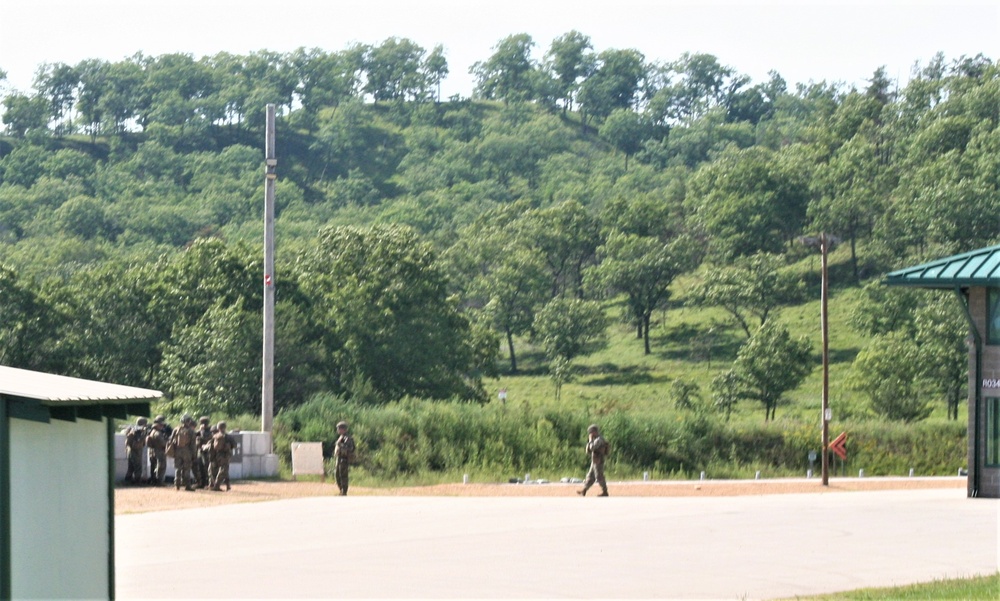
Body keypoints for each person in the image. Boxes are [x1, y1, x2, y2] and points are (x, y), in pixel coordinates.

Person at [577, 424, 610, 497]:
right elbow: (588, 450)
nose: (590, 434)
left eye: (590, 432)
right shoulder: (596, 439)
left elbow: (592, 447)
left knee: (599, 476)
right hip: (594, 460)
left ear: (594, 432)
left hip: (599, 460)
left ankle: (605, 491)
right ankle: (584, 490)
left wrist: (590, 440)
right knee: (590, 475)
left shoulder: (599, 439)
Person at [171, 414, 198, 491]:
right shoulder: (191, 431)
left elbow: (171, 440)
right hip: (187, 451)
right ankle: (187, 485)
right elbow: (193, 445)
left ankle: (177, 484)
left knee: (177, 468)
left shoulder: (176, 429)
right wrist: (194, 455)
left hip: (177, 451)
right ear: (189, 421)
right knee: (187, 469)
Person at [210, 421, 237, 491]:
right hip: (225, 456)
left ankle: (228, 486)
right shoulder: (228, 437)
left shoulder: (215, 436)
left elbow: (211, 446)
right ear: (225, 427)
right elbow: (235, 445)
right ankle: (216, 485)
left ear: (218, 428)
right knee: (223, 470)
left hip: (217, 455)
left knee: (224, 470)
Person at [333, 421, 356, 496]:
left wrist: (341, 446)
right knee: (337, 475)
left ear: (343, 429)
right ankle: (341, 490)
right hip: (339, 458)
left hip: (344, 459)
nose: (338, 430)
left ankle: (344, 491)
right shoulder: (341, 437)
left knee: (343, 475)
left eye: (339, 428)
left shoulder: (347, 438)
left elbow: (351, 448)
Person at [124, 417, 148, 485]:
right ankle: (137, 481)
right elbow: (140, 440)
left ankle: (127, 480)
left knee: (131, 467)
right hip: (135, 451)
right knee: (138, 467)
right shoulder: (136, 432)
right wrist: (144, 433)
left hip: (132, 451)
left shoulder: (135, 431)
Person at [145, 417, 168, 486]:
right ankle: (159, 481)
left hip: (152, 451)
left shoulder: (152, 432)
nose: (162, 426)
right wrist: (167, 441)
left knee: (153, 466)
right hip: (159, 451)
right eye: (161, 425)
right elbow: (163, 443)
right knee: (161, 466)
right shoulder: (158, 433)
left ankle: (153, 480)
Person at [193, 416, 213, 489]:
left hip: (207, 452)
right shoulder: (201, 431)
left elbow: (205, 437)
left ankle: (209, 483)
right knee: (200, 467)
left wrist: (201, 431)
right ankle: (201, 483)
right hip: (200, 451)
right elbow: (194, 435)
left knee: (207, 468)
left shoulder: (210, 431)